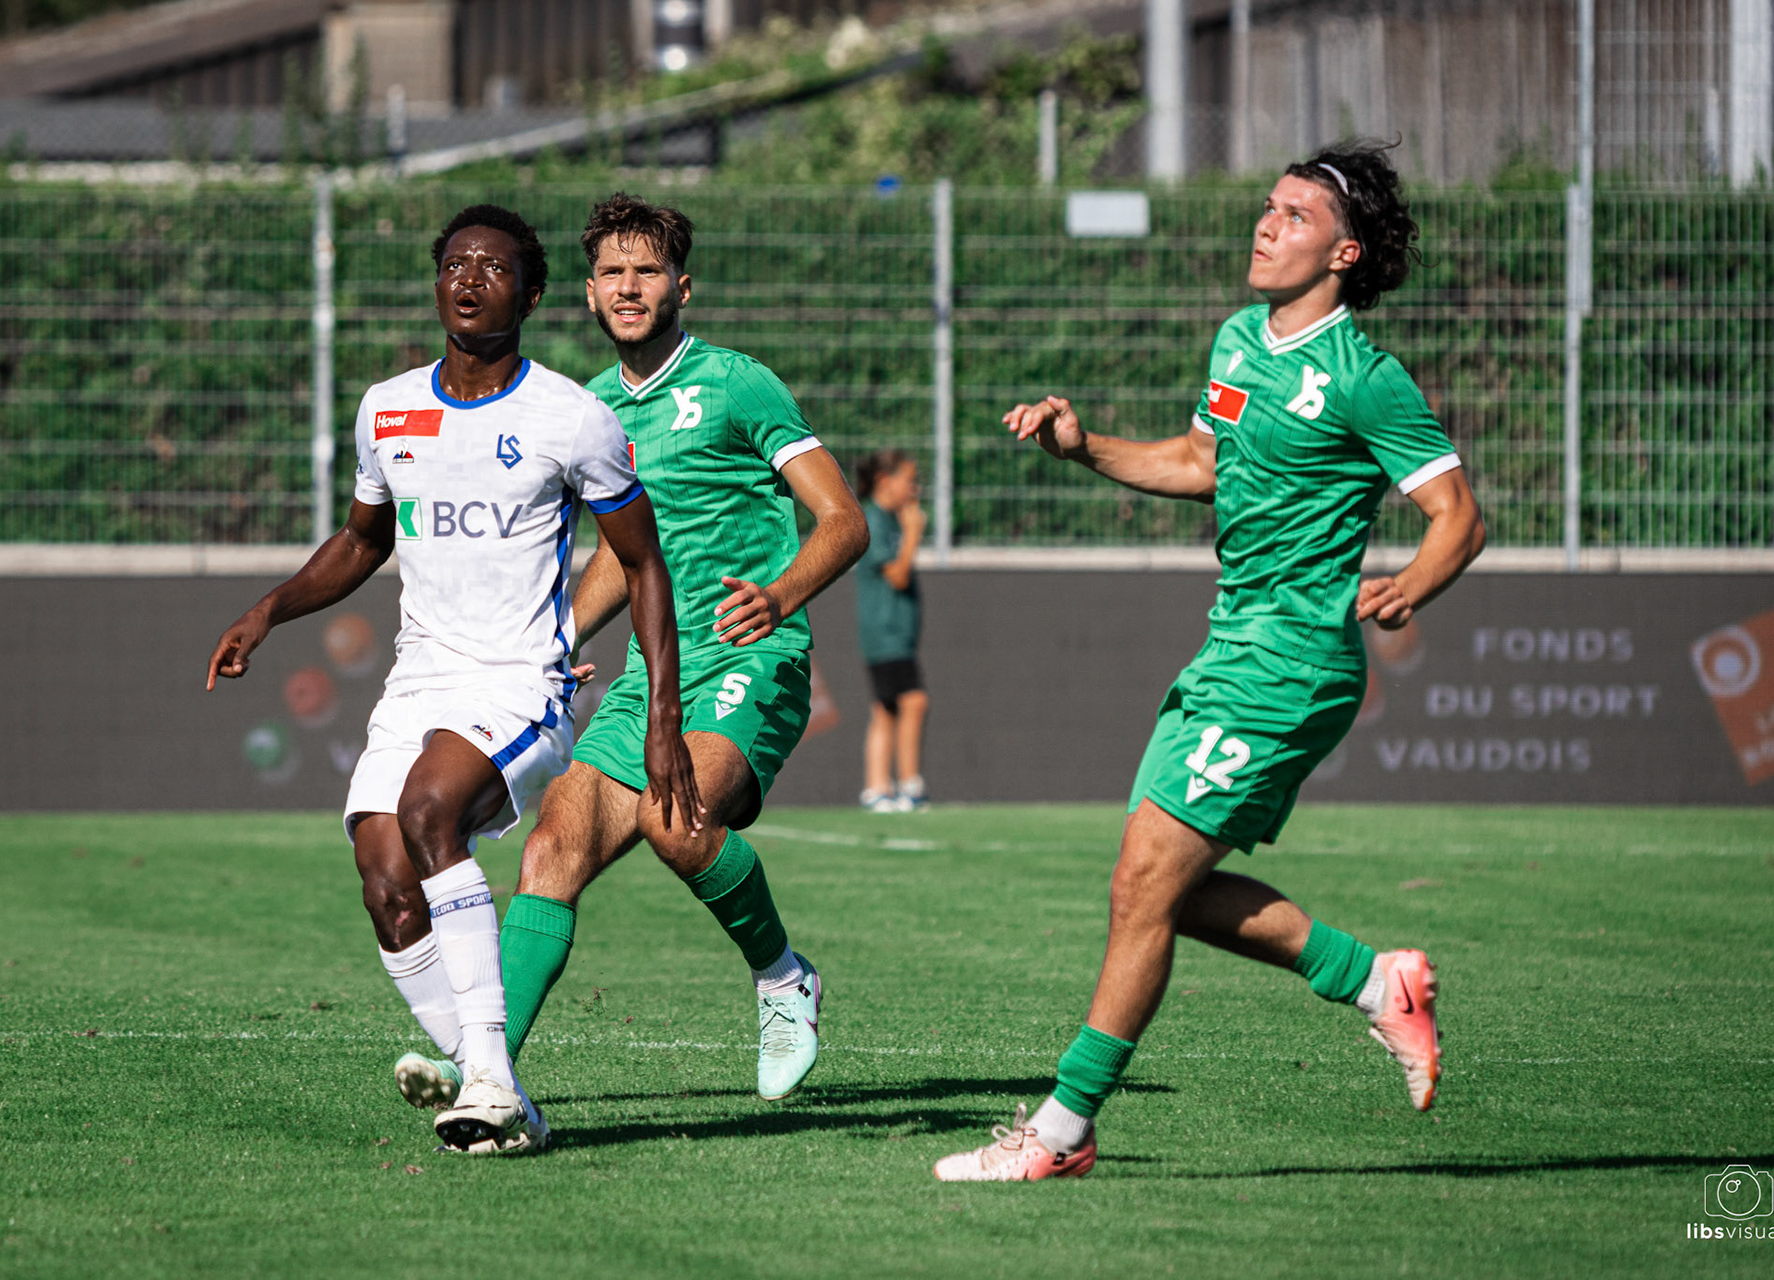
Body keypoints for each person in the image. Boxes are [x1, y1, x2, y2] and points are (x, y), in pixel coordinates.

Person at [933, 141, 1487, 1182]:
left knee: (1146, 882)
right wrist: (1083, 443)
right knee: (1155, 889)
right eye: (1267, 207)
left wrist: (1416, 578)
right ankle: (1377, 983)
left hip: (1291, 662)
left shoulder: (1363, 377)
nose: (1265, 225)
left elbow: (1457, 512)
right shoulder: (1239, 339)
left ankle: (1060, 1130)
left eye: (1293, 215)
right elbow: (1200, 460)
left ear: (1346, 251)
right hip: (1226, 647)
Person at [206, 204, 697, 1156]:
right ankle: (495, 1082)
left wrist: (661, 715)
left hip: (521, 682)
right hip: (419, 680)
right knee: (387, 882)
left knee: (433, 811)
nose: (471, 280)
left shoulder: (571, 416)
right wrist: (268, 609)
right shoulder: (387, 407)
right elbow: (362, 540)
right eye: (456, 265)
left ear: (535, 293)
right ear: (437, 284)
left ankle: (487, 1090)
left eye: (496, 267)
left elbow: (642, 563)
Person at [495, 193, 868, 1101]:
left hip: (751, 660)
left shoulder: (738, 384)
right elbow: (628, 563)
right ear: (587, 295)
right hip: (649, 675)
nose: (630, 287)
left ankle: (784, 978)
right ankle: (487, 1071)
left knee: (677, 815)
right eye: (614, 273)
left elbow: (844, 521)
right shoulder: (586, 413)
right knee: (550, 851)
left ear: (682, 287)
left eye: (648, 271)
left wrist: (779, 596)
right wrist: (553, 642)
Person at [852, 449, 930, 813]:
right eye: (909, 480)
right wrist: (913, 532)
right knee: (913, 701)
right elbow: (897, 576)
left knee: (885, 709)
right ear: (885, 481)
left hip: (896, 633)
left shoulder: (889, 521)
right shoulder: (875, 521)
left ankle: (876, 788)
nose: (914, 488)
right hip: (885, 634)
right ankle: (909, 786)